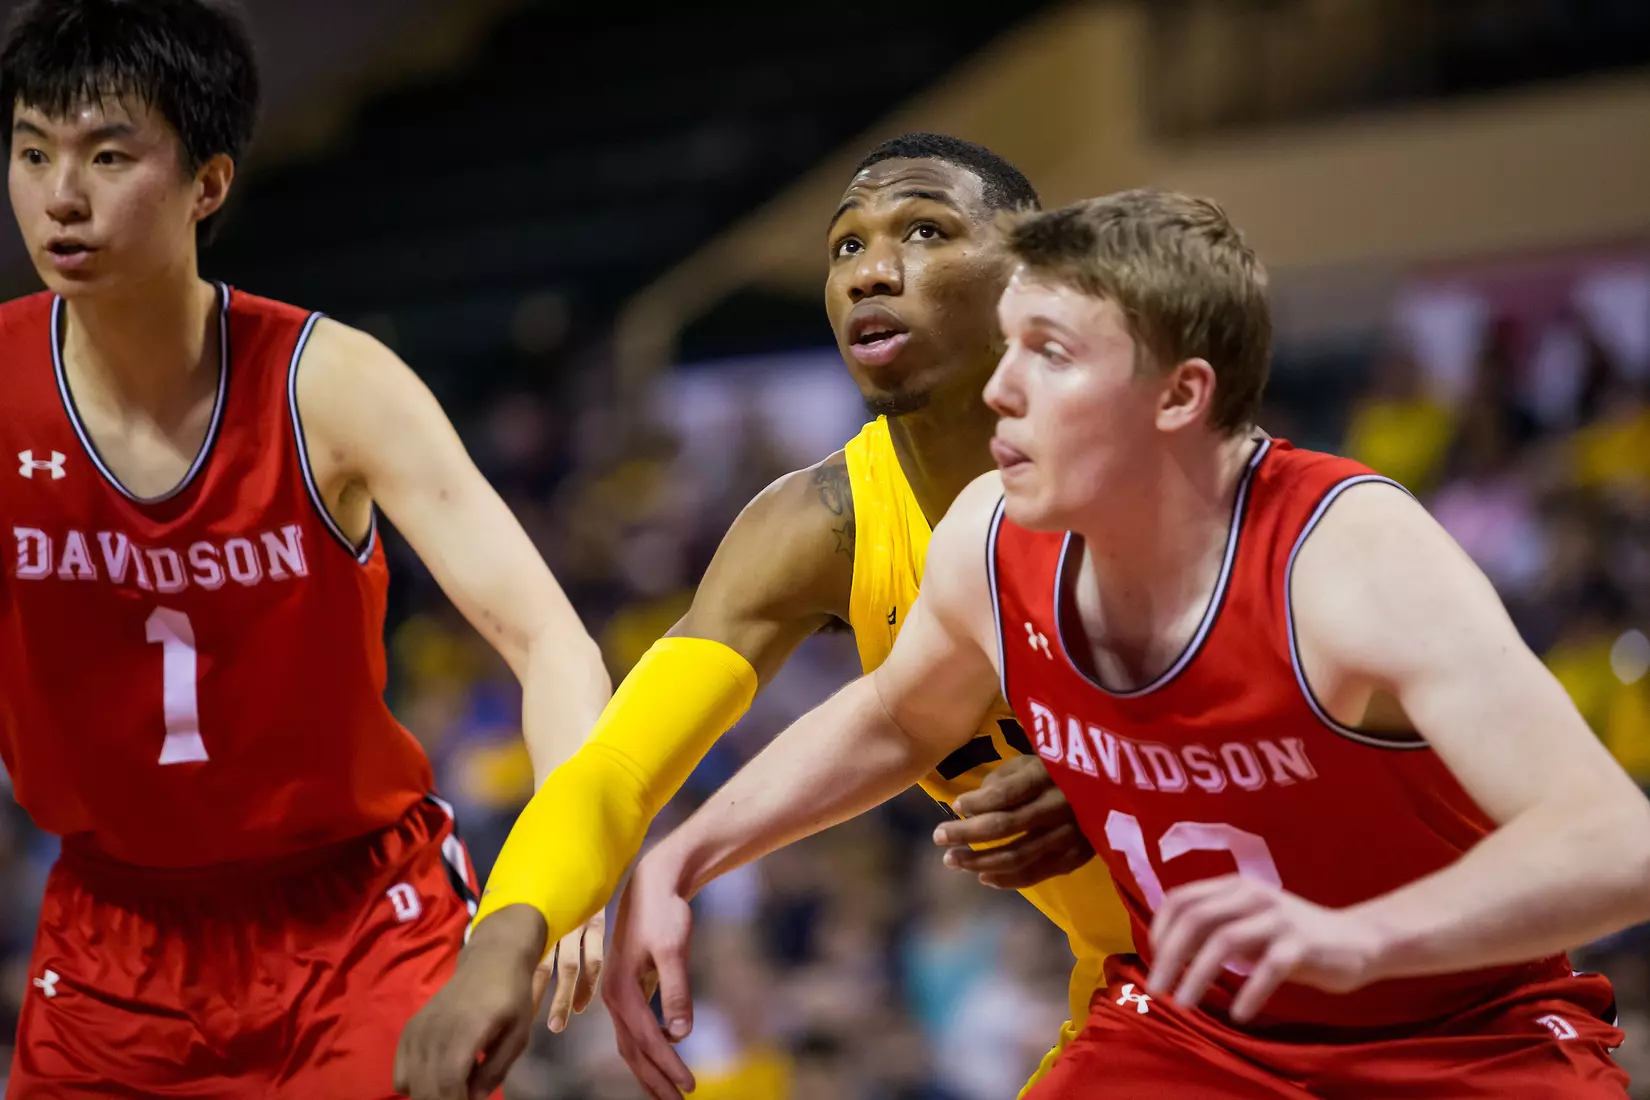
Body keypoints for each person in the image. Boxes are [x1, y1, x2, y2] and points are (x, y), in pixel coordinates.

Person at [609, 189, 1650, 1098]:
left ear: (1181, 394)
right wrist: (689, 851)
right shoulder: (993, 533)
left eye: (1050, 352)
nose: (998, 388)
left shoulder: (1349, 558)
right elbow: (896, 714)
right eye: (1009, 341)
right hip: (1193, 1036)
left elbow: (1617, 843)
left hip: (1459, 1040)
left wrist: (1358, 938)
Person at [395, 134, 1134, 1100]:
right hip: (1140, 992)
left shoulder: (1147, 456)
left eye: (924, 230)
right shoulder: (819, 524)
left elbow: (1328, 706)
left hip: (1330, 938)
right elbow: (616, 770)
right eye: (844, 247)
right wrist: (500, 947)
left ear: (1030, 270)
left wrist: (1130, 771)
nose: (872, 271)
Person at [0, 1, 608, 1095]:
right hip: (112, 937)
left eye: (105, 154)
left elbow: (550, 639)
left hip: (354, 919)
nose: (61, 195)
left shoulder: (332, 383)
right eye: (33, 150)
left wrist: (562, 886)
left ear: (209, 184)